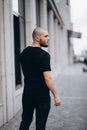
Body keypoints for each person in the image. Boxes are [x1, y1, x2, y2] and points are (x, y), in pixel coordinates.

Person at [19, 27, 61, 130]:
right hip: (41, 96)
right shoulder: (44, 55)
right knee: (40, 125)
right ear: (37, 38)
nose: (49, 38)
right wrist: (56, 95)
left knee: (25, 121)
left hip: (28, 94)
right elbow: (48, 78)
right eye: (46, 36)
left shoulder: (23, 54)